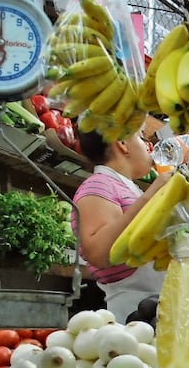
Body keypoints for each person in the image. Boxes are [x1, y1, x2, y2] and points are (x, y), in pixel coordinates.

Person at [73, 129, 174, 323]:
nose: (148, 146)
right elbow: (98, 252)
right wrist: (150, 196)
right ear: (122, 143)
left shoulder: (128, 188)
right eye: (141, 137)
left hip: (157, 311)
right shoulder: (98, 185)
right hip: (132, 317)